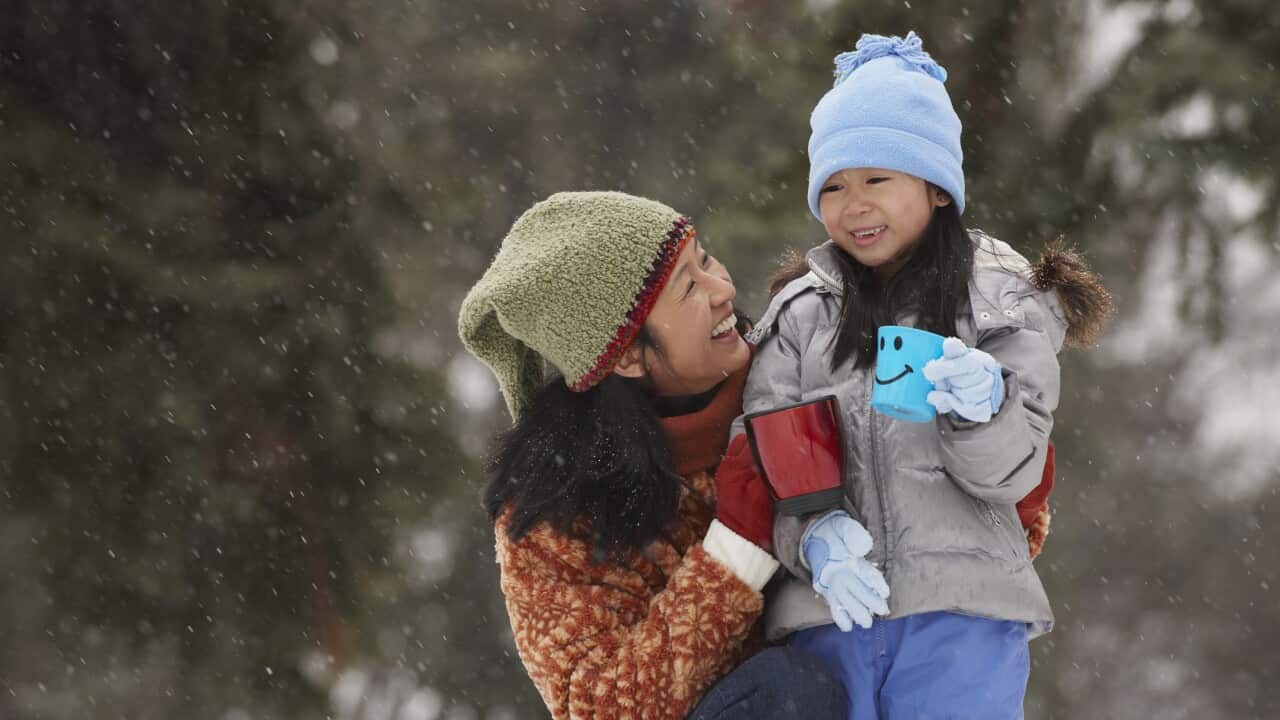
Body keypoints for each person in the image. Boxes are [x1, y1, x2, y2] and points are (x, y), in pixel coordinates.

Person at [730, 31, 1114, 718]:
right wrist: (813, 534)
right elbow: (762, 451)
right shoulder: (800, 313)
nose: (854, 204)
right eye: (835, 186)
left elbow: (1014, 473)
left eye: (877, 178)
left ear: (935, 187)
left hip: (963, 617)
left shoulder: (1004, 300)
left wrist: (986, 405)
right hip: (832, 616)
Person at [457, 191, 850, 719]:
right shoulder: (556, 514)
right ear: (626, 356)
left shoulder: (794, 371)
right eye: (689, 288)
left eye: (705, 259)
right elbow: (602, 707)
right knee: (792, 689)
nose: (723, 289)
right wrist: (734, 553)